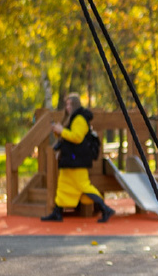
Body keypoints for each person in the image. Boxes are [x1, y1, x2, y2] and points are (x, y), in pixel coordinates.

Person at [41, 93, 116, 223]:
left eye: (70, 104)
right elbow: (68, 137)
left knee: (84, 187)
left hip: (77, 160)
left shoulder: (80, 119)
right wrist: (58, 130)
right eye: (66, 104)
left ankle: (105, 209)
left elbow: (77, 137)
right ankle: (57, 212)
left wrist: (61, 131)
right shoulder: (72, 119)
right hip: (70, 160)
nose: (67, 107)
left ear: (75, 104)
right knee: (63, 187)